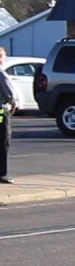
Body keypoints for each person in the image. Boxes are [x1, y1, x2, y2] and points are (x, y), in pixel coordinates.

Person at [0, 47, 17, 185]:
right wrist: (14, 102)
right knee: (3, 140)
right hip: (1, 111)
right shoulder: (1, 73)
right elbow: (10, 93)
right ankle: (2, 173)